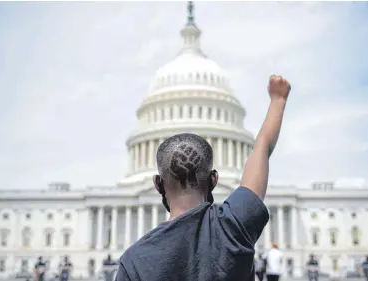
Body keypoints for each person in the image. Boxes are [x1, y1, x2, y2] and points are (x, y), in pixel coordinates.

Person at [115, 75, 291, 281]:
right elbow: (262, 146)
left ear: (158, 184)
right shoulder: (233, 227)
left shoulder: (133, 261)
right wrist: (278, 100)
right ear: (214, 179)